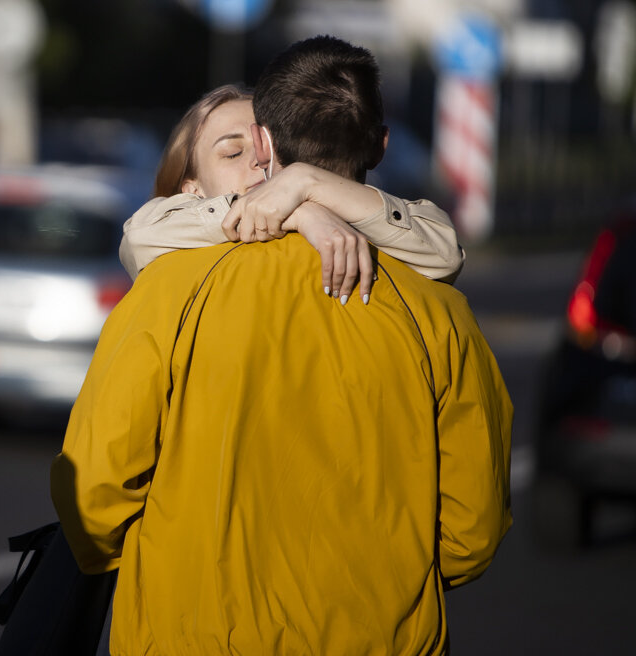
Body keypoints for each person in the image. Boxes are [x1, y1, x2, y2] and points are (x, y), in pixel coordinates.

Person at [52, 36, 513, 655]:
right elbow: (471, 529)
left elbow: (96, 492)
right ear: (379, 146)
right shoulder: (440, 315)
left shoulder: (168, 296)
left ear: (267, 148)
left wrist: (156, 571)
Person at [119, 85, 465, 299]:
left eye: (268, 145)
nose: (258, 160)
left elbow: (445, 253)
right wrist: (300, 212)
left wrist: (307, 184)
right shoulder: (172, 246)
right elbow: (137, 239)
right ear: (191, 189)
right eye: (233, 152)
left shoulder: (339, 214)